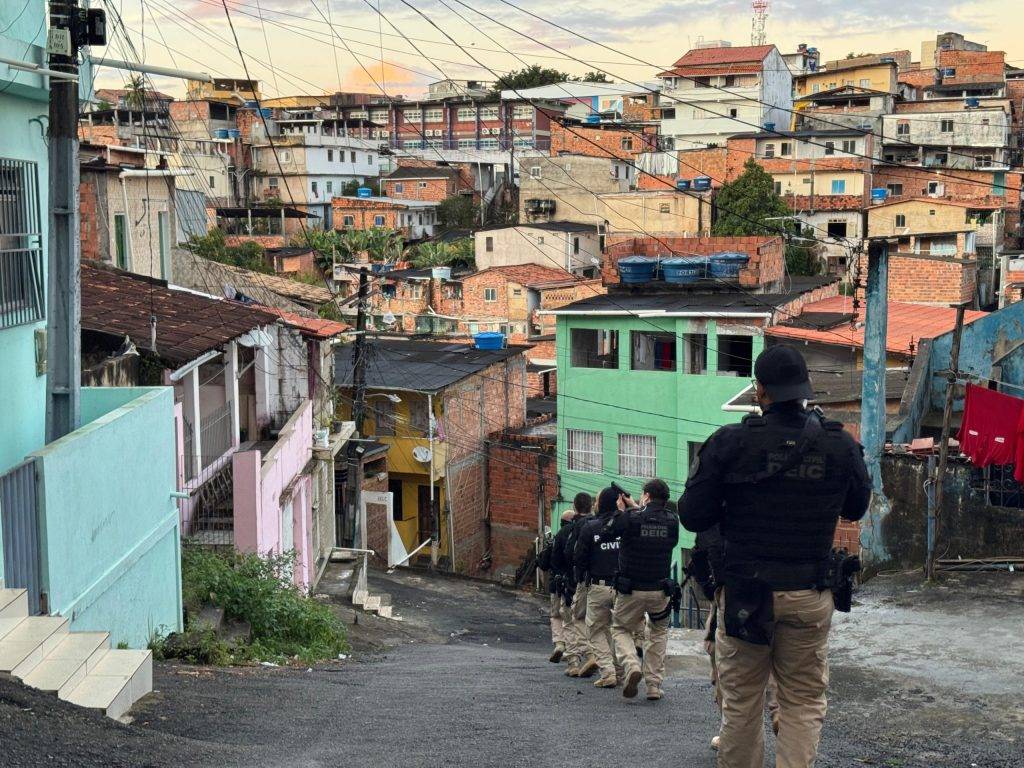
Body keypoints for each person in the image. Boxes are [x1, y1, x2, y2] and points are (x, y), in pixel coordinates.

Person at [679, 344, 871, 768]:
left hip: (746, 596)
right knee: (802, 699)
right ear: (805, 388)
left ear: (759, 390)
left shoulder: (730, 442)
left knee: (742, 702)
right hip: (809, 592)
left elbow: (693, 516)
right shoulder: (839, 444)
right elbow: (856, 508)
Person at [694, 525, 779, 751]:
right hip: (788, 585)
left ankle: (731, 735)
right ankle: (779, 711)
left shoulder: (719, 512)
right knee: (779, 662)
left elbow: (700, 553)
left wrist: (710, 586)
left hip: (735, 594)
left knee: (732, 679)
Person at [605, 478, 679, 700]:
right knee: (658, 633)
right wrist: (637, 509)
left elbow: (609, 531)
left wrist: (622, 511)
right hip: (660, 589)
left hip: (632, 589)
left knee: (620, 629)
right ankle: (654, 685)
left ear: (646, 495)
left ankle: (631, 666)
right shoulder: (672, 520)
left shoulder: (630, 518)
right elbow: (655, 528)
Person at [574, 487, 624, 688]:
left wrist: (580, 578)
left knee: (595, 630)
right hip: (623, 588)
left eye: (597, 501)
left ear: (602, 504)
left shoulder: (590, 527)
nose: (594, 504)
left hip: (598, 586)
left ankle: (608, 672)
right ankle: (620, 672)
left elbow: (579, 557)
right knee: (620, 631)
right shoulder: (625, 525)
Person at [551, 493, 595, 678]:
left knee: (570, 621)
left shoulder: (566, 531)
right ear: (591, 506)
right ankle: (598, 658)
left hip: (573, 582)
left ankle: (574, 662)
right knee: (596, 623)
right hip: (597, 582)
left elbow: (556, 560)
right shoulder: (599, 526)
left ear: (575, 507)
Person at [538, 510, 570, 663]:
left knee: (556, 615)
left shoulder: (557, 539)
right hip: (572, 584)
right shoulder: (578, 535)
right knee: (571, 618)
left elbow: (544, 564)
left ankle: (559, 644)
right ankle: (571, 648)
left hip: (556, 584)